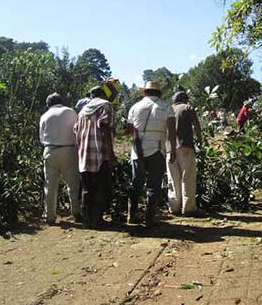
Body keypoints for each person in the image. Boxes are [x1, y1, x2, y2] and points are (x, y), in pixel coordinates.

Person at [126, 81, 177, 227]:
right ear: (159, 93)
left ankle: (132, 215)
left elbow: (129, 129)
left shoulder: (135, 107)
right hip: (158, 149)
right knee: (153, 185)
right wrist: (172, 150)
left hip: (138, 151)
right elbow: (172, 131)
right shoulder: (167, 107)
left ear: (144, 92)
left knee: (136, 183)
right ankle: (149, 218)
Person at [74, 86, 115, 229]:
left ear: (91, 97)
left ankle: (87, 221)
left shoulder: (82, 111)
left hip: (84, 155)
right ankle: (98, 221)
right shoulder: (106, 106)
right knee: (100, 188)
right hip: (100, 153)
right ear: (103, 95)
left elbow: (76, 131)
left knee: (87, 188)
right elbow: (105, 127)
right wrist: (111, 153)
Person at [39, 92, 81, 225]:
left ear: (48, 104)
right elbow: (77, 130)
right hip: (69, 150)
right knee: (73, 184)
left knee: (50, 186)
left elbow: (41, 138)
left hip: (50, 150)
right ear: (61, 101)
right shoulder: (71, 112)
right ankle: (76, 212)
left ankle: (50, 216)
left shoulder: (44, 116)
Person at [167, 91, 203, 216]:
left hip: (169, 148)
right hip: (185, 146)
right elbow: (196, 125)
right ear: (185, 99)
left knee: (173, 179)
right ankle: (188, 208)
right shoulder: (187, 108)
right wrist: (200, 139)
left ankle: (174, 207)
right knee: (187, 177)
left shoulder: (169, 109)